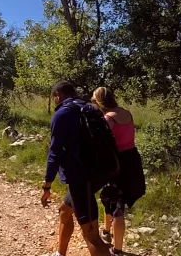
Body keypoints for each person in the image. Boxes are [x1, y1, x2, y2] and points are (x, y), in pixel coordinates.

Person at [41, 81, 112, 256]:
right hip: (99, 172)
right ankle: (60, 253)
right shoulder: (90, 108)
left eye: (54, 97)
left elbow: (54, 153)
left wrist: (47, 186)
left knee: (91, 236)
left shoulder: (62, 114)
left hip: (82, 178)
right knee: (65, 211)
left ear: (58, 95)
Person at [92, 87, 146, 255]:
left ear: (99, 102)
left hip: (117, 163)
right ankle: (106, 231)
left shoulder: (108, 119)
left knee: (116, 204)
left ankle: (117, 249)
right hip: (132, 159)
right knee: (111, 197)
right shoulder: (126, 113)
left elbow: (100, 143)